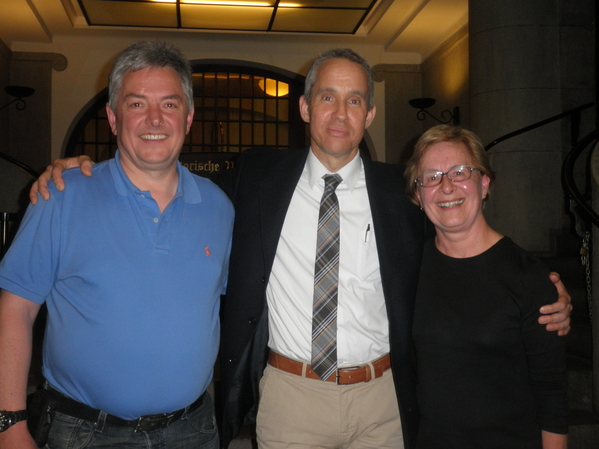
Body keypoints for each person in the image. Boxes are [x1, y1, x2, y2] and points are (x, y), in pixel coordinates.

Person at [29, 49, 572, 449]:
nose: (340, 112)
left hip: (381, 397)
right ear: (306, 107)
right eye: (327, 97)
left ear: (370, 115)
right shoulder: (256, 176)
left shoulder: (402, 192)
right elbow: (164, 178)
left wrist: (537, 288)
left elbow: (459, 237)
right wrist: (82, 169)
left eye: (354, 100)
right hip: (291, 395)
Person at [0, 41, 234, 449]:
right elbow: (16, 308)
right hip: (84, 432)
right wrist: (10, 424)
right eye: (137, 104)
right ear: (112, 117)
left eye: (170, 104)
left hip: (193, 430)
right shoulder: (61, 196)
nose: (155, 118)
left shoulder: (219, 206)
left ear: (189, 117)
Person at [405, 125, 568, 449]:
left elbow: (552, 393)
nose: (446, 186)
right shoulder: (407, 268)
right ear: (418, 196)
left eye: (460, 172)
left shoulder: (528, 277)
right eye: (431, 177)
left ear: (484, 184)